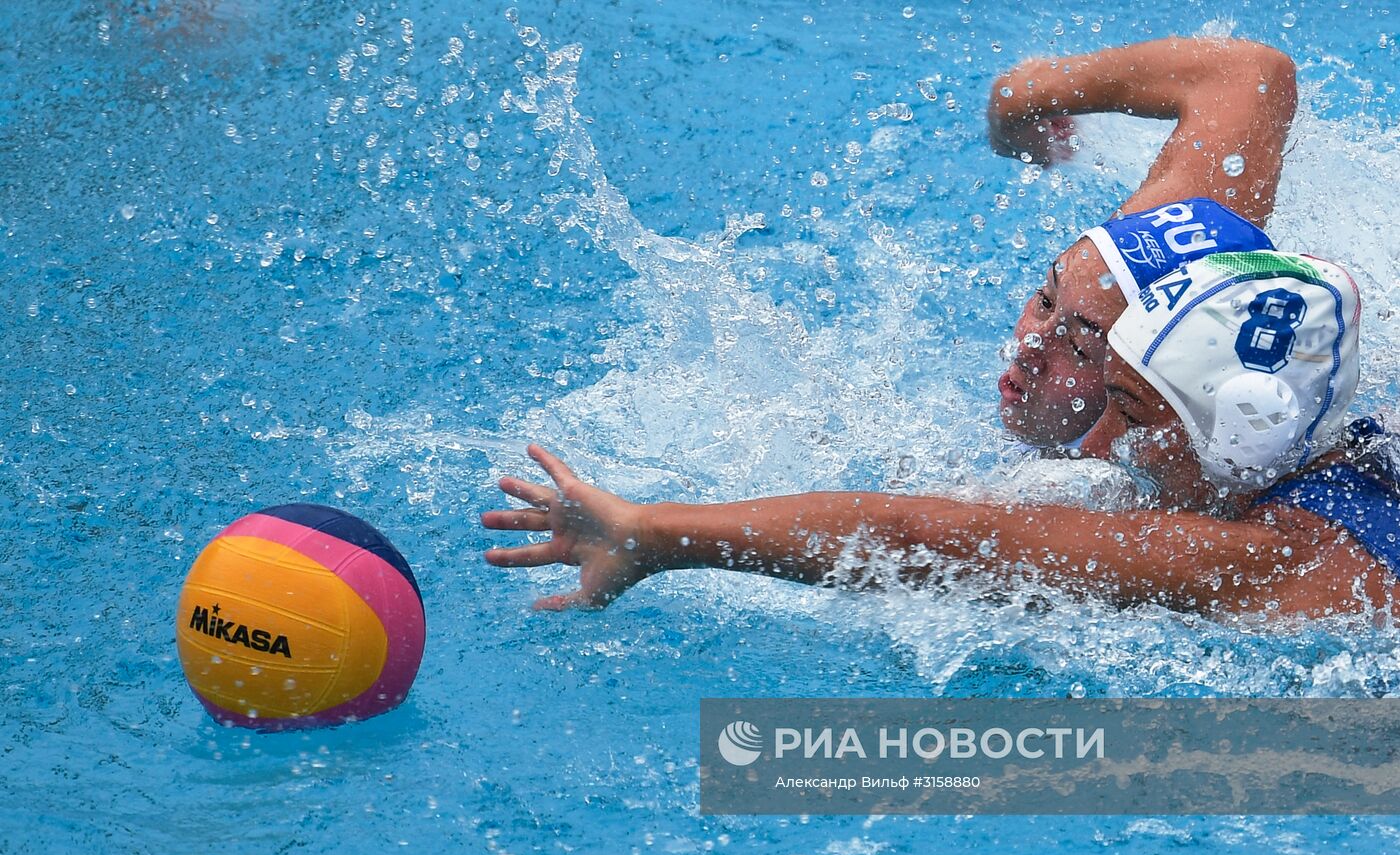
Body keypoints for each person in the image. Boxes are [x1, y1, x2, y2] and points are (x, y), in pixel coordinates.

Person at [482, 252, 1396, 620]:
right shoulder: (1328, 434)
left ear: (1239, 436)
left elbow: (929, 537)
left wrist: (654, 532)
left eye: (1129, 412)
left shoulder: (1274, 563)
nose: (1097, 442)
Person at [987, 37, 1298, 450]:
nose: (1029, 345)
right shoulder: (1185, 235)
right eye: (1046, 301)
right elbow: (1251, 71)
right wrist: (1023, 97)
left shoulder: (1181, 455)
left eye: (1079, 348)